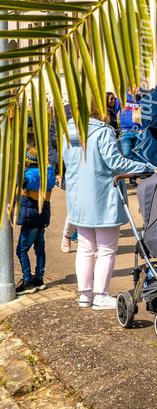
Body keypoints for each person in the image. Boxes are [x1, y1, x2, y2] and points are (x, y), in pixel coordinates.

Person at [64, 102, 157, 309]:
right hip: (102, 196)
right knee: (106, 248)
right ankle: (101, 296)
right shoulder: (102, 132)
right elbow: (116, 163)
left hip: (78, 198)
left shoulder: (67, 132)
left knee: (85, 248)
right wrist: (147, 167)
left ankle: (86, 294)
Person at [17, 154, 55, 291]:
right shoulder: (48, 175)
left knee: (21, 250)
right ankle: (39, 279)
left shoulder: (29, 176)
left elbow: (23, 181)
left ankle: (27, 281)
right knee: (39, 249)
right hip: (42, 216)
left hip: (31, 217)